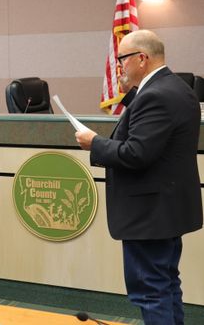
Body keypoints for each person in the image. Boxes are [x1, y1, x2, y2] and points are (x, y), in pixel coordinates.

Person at [75, 30, 202, 324]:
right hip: (167, 211)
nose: (119, 67)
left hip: (149, 216)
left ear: (142, 59)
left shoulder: (156, 95)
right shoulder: (179, 88)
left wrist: (95, 142)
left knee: (150, 291)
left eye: (122, 60)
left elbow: (136, 153)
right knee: (167, 285)